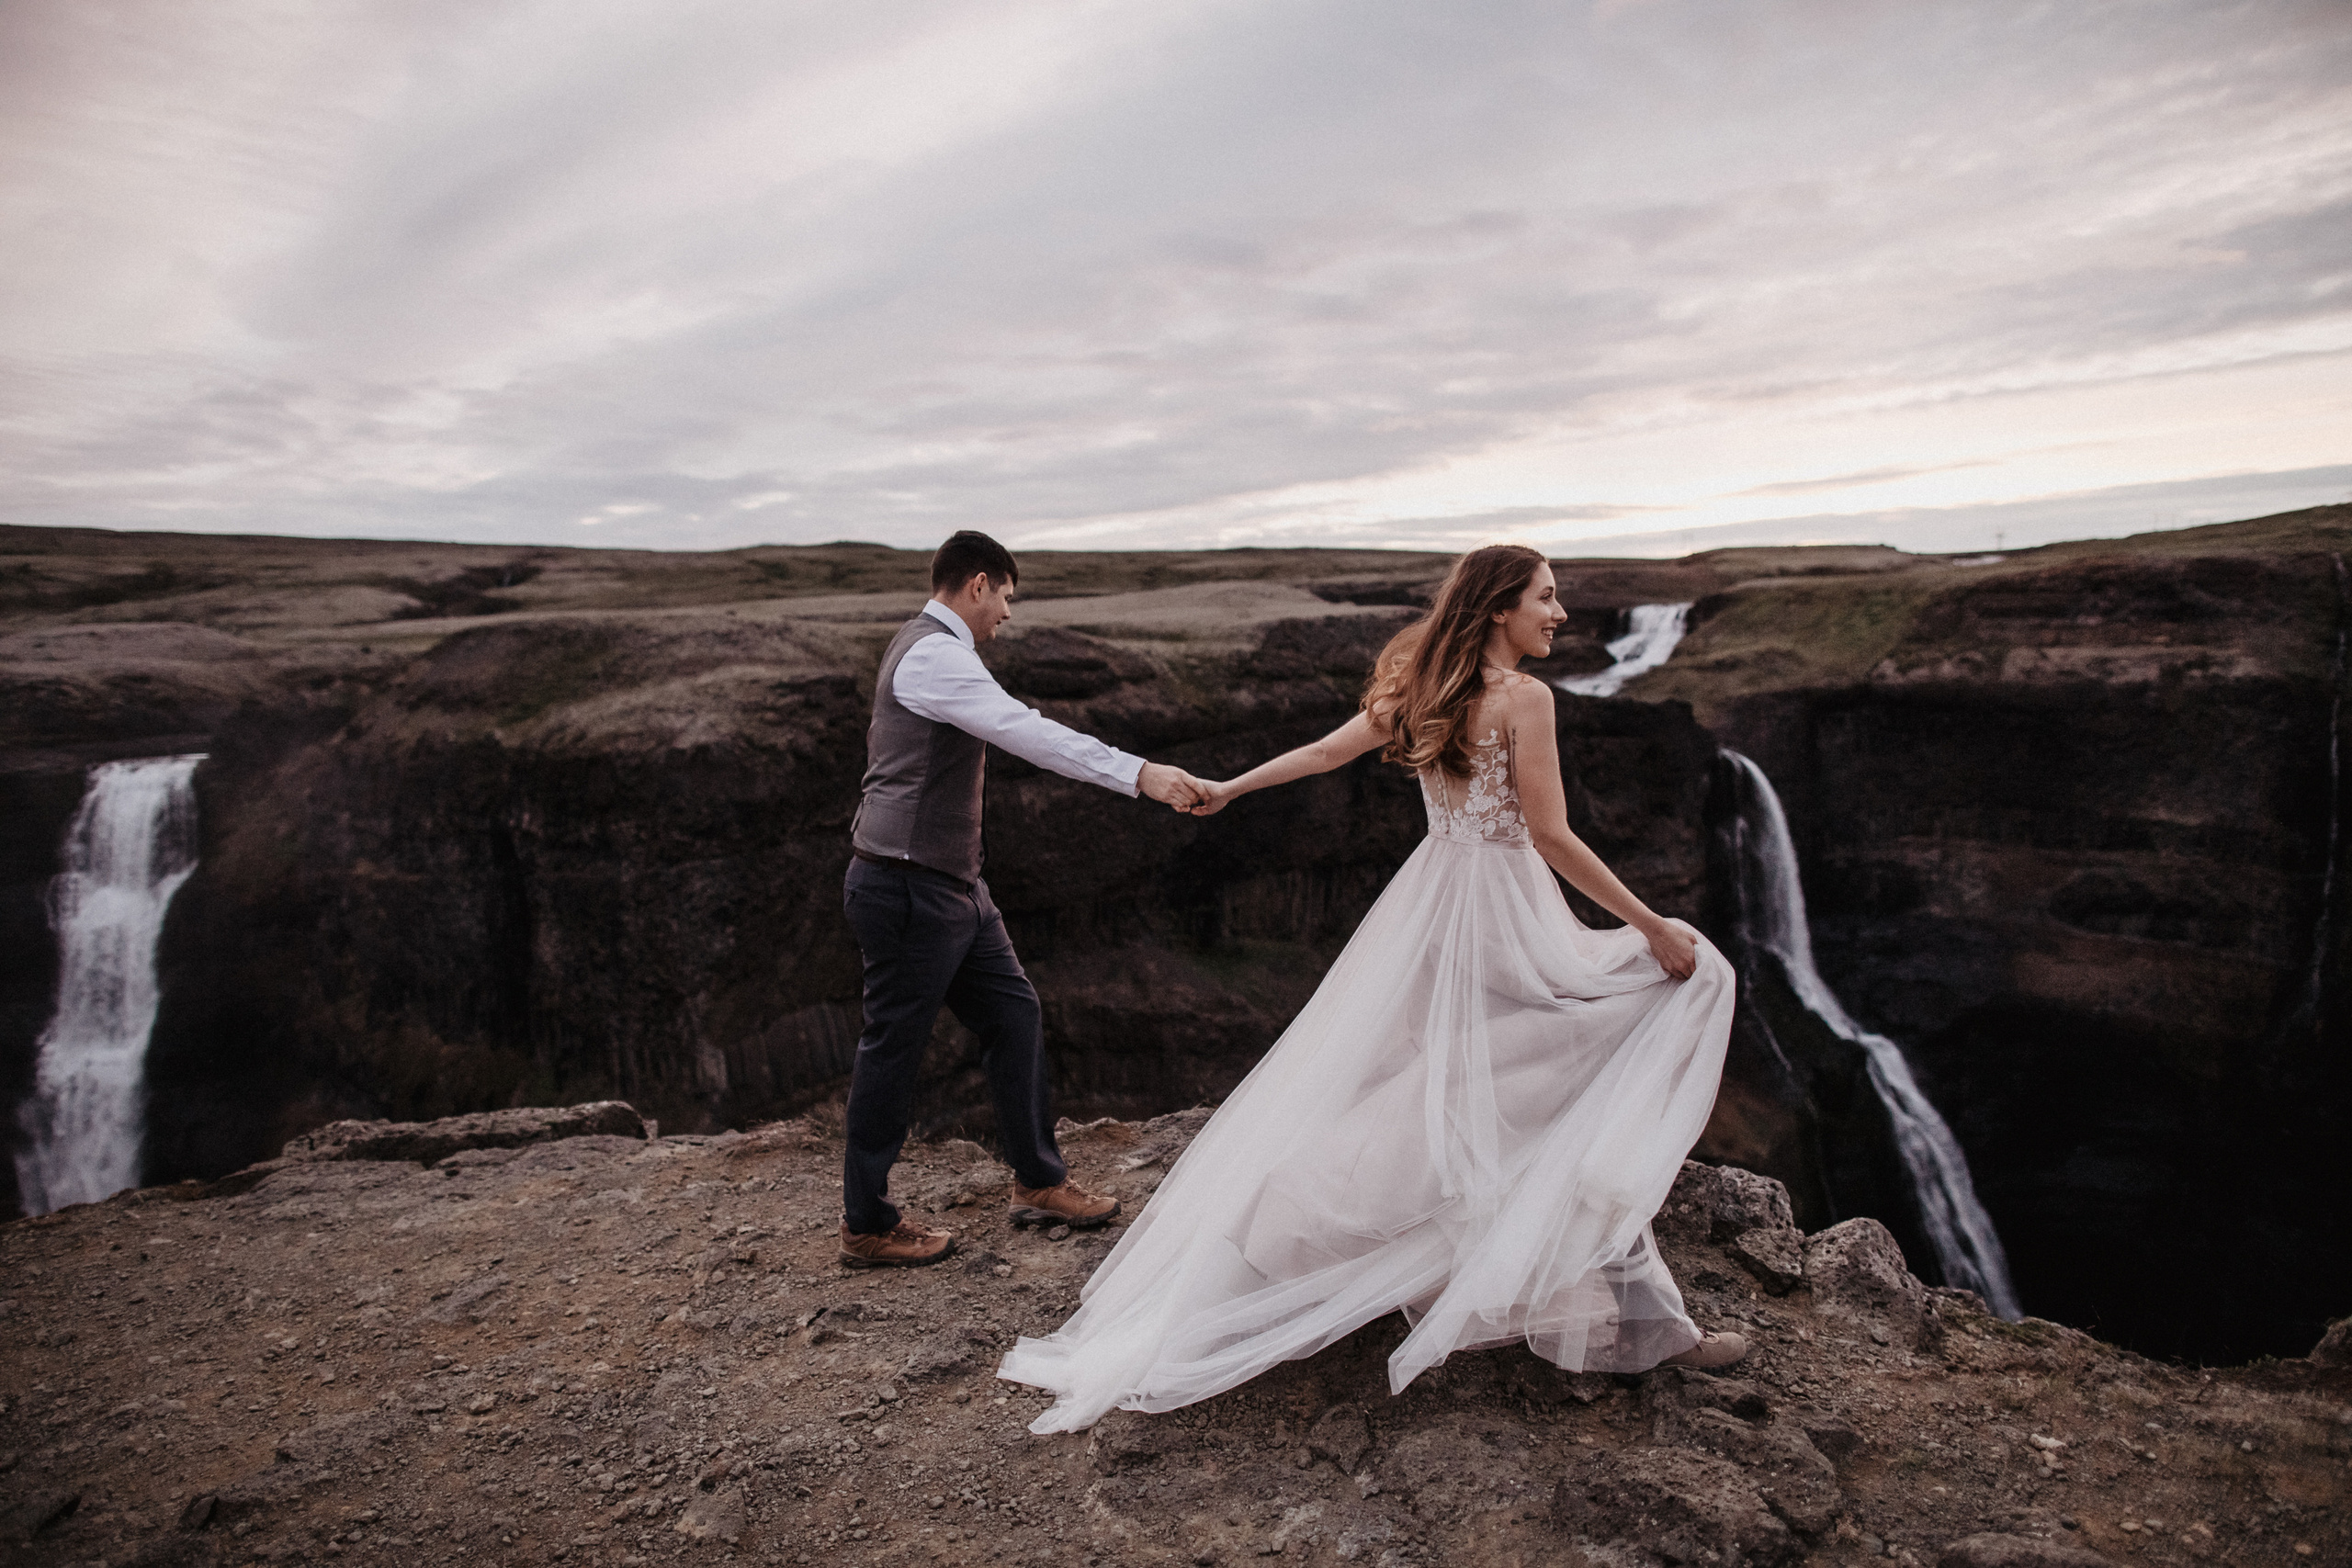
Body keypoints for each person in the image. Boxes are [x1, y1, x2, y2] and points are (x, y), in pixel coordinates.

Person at [996, 544, 1746, 1432]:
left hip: (1434, 913)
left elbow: (1321, 752)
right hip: (1506, 918)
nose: (1561, 614)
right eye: (1547, 598)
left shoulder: (1424, 687)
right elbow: (1549, 832)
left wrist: (1230, 788)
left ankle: (1589, 1305)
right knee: (1589, 1065)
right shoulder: (1523, 698)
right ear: (1500, 605)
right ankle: (1623, 1319)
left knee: (1476, 1094)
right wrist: (1652, 925)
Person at [840, 530, 1208, 1268]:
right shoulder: (936, 656)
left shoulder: (923, 646)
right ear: (978, 583)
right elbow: (1026, 732)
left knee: (1015, 1011)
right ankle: (867, 1222)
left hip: (952, 884)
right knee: (895, 1048)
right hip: (911, 887)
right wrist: (1141, 773)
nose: (1008, 613)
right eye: (1007, 594)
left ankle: (1038, 1182)